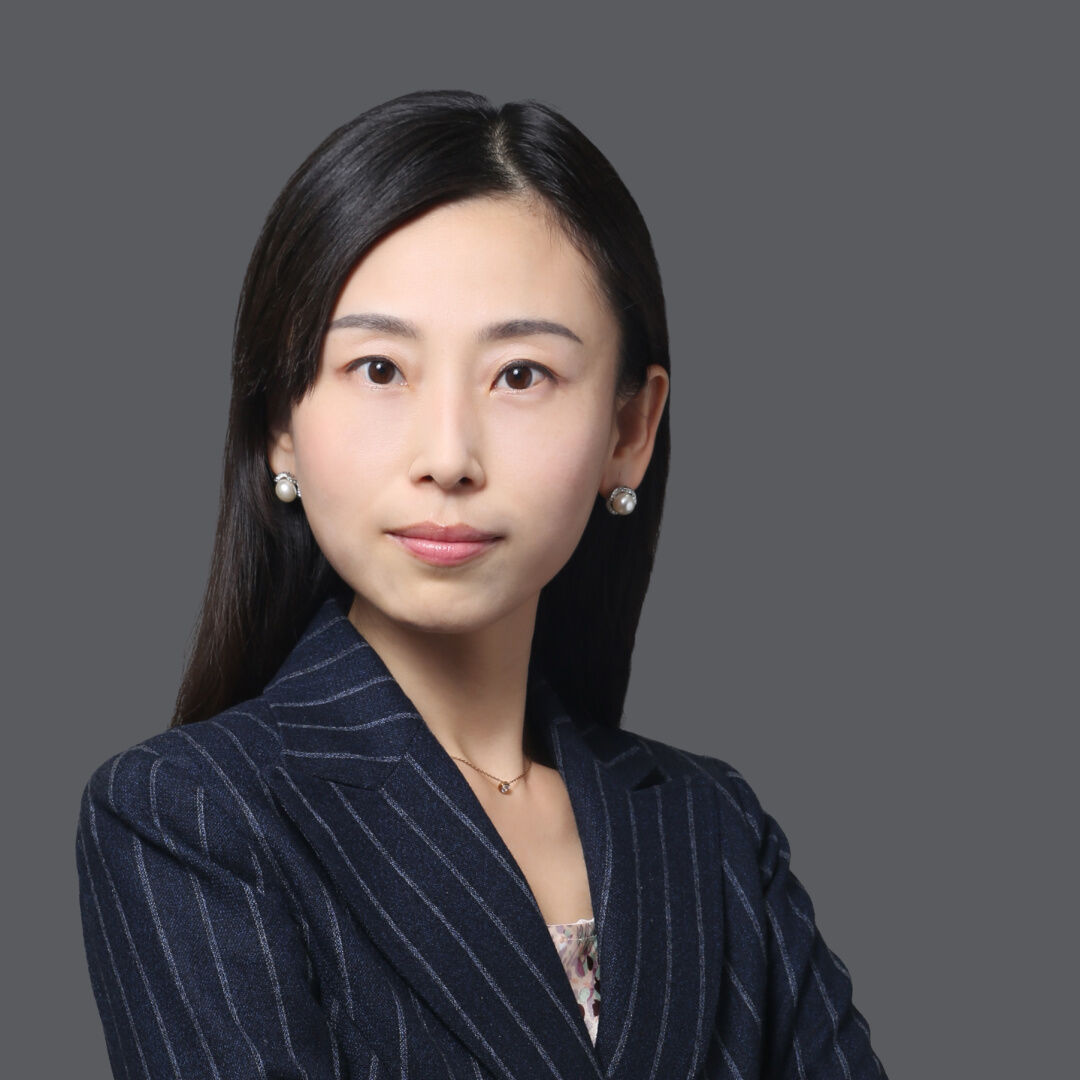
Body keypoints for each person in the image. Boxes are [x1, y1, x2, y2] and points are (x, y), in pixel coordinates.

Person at [76, 89, 887, 1079]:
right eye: (380, 369)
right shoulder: (192, 816)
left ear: (630, 430)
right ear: (281, 422)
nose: (449, 457)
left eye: (521, 375)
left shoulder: (713, 827)